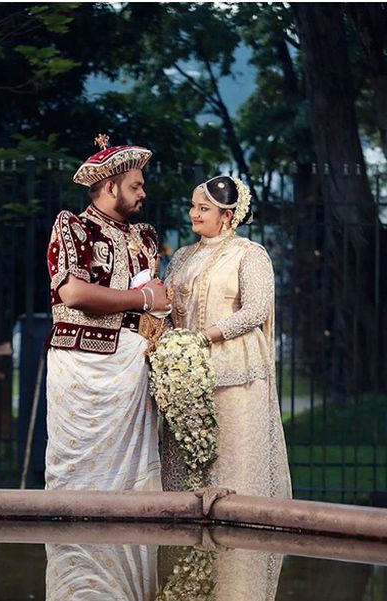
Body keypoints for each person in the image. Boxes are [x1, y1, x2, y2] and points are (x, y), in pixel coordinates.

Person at [44, 134, 170, 491]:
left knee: (133, 479)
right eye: (135, 186)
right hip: (81, 363)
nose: (143, 193)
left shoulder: (145, 237)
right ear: (111, 188)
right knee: (76, 475)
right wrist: (142, 299)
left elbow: (156, 301)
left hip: (131, 366)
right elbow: (73, 293)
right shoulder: (75, 227)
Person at [163, 175, 292, 499]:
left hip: (235, 374)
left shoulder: (249, 254)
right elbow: (165, 308)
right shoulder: (181, 256)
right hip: (185, 375)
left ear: (227, 215)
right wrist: (171, 348)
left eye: (203, 208)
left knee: (234, 462)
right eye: (193, 206)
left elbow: (255, 310)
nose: (194, 214)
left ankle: (239, 530)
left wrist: (203, 338)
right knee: (187, 464)